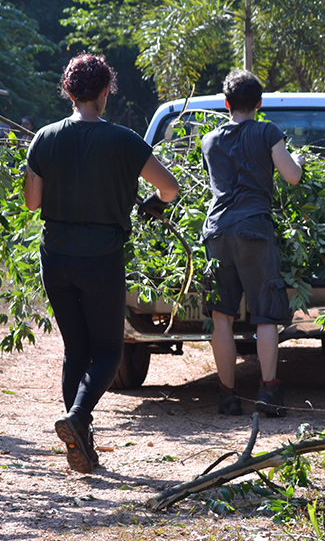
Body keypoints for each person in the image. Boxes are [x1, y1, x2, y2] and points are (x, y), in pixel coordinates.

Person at [24, 53, 179, 473]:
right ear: (106, 91)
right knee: (108, 352)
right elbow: (169, 188)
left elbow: (33, 202)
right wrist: (152, 204)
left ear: (69, 92)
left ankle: (81, 442)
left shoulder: (45, 137)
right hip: (101, 257)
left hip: (56, 258)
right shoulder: (124, 141)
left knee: (76, 349)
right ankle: (78, 418)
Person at [202, 70, 304, 417]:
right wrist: (298, 162)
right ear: (259, 103)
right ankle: (269, 393)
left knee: (221, 316)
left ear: (226, 103)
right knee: (265, 315)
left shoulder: (209, 140)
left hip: (216, 231)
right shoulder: (267, 131)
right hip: (253, 230)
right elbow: (291, 177)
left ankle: (227, 396)